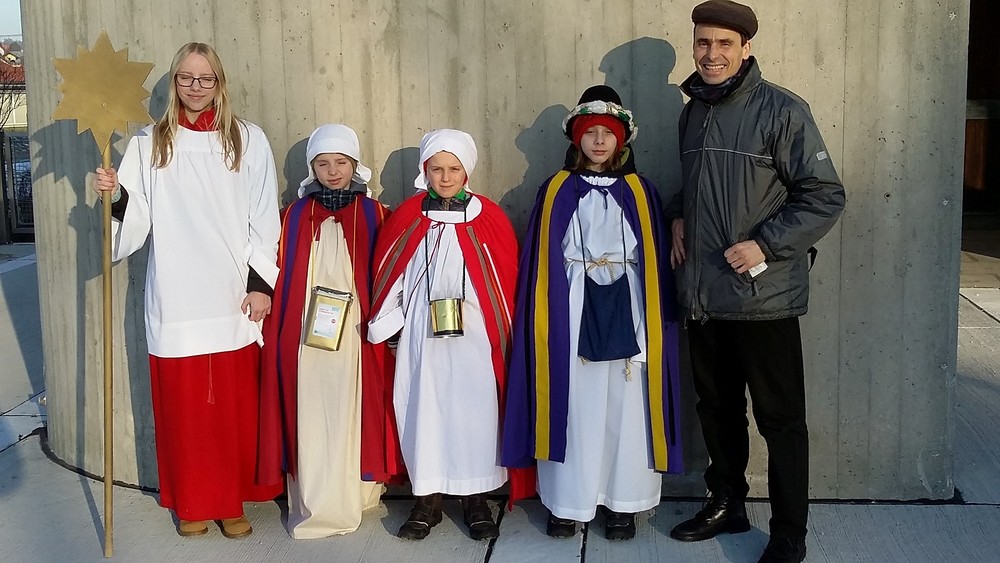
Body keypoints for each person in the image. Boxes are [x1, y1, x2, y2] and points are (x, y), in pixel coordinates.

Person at [665, 2, 846, 562]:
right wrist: (677, 213)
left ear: (745, 49)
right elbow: (700, 187)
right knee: (717, 410)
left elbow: (823, 195)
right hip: (703, 295)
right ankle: (728, 503)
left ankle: (790, 533)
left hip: (762, 297)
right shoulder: (694, 112)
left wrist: (765, 244)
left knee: (781, 420)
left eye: (724, 44)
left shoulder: (783, 110)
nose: (712, 54)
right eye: (703, 42)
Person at [92, 42, 282, 538]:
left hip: (231, 291)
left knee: (232, 408)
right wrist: (115, 195)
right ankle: (195, 503)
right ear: (174, 81)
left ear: (219, 83)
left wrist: (260, 284)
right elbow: (136, 217)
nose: (196, 87)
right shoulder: (149, 143)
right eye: (186, 78)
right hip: (176, 291)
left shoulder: (247, 139)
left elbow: (264, 214)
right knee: (185, 410)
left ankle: (231, 501)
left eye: (205, 78)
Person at [502, 85, 683, 541]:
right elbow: (541, 261)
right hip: (572, 305)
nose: (599, 141)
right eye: (590, 132)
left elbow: (655, 260)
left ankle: (623, 503)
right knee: (575, 404)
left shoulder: (640, 190)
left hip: (631, 304)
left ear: (622, 139)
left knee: (628, 406)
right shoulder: (557, 188)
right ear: (576, 138)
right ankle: (570, 502)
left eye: (608, 133)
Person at [367, 129, 526, 541]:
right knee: (424, 410)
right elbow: (390, 273)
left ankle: (476, 499)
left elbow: (504, 281)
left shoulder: (489, 217)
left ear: (466, 170)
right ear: (425, 170)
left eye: (454, 168)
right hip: (422, 334)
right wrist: (391, 325)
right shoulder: (408, 216)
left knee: (476, 413)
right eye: (436, 169)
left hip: (476, 335)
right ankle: (428, 499)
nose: (445, 177)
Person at [256, 124, 401, 538]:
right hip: (307, 332)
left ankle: (358, 493)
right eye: (323, 163)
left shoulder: (376, 214)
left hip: (355, 333)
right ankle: (315, 499)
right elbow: (277, 270)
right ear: (312, 168)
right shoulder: (293, 216)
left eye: (341, 162)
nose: (333, 171)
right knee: (311, 407)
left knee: (354, 407)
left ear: (355, 165)